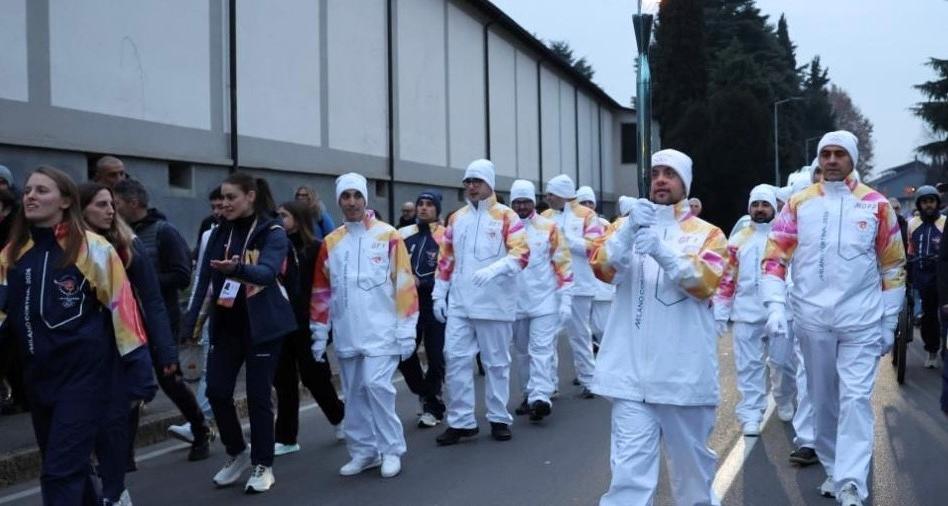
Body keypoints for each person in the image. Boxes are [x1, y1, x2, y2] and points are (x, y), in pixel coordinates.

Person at [762, 131, 906, 506]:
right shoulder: (798, 204)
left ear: (852, 159)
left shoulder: (876, 205)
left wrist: (889, 322)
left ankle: (852, 483)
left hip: (860, 321)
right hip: (812, 320)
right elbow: (775, 257)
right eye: (825, 154)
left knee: (856, 400)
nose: (831, 160)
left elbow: (893, 266)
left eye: (839, 154)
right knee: (822, 400)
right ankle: (833, 466)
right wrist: (776, 305)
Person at [0, 166, 152, 505]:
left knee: (59, 474)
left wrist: (140, 370)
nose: (30, 196)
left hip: (85, 378)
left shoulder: (92, 248)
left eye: (42, 190)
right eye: (28, 190)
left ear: (66, 200)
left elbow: (123, 310)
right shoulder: (12, 253)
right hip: (38, 379)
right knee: (74, 470)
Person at [589, 149, 726, 505]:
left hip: (683, 378)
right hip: (630, 377)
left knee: (692, 480)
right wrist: (630, 229)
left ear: (685, 182)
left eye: (670, 174)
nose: (661, 180)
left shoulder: (708, 235)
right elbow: (603, 269)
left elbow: (706, 282)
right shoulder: (626, 227)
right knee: (628, 481)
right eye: (656, 173)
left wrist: (662, 251)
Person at [180, 172, 296, 493]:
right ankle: (237, 452)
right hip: (227, 325)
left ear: (250, 197)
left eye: (232, 198)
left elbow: (268, 272)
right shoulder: (217, 232)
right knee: (217, 391)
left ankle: (263, 464)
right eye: (222, 199)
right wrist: (190, 324)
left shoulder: (272, 232)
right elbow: (203, 280)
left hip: (263, 327)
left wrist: (237, 269)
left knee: (259, 396)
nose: (225, 204)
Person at [310, 172, 418, 478]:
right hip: (348, 333)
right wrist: (319, 335)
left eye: (357, 196)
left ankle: (391, 449)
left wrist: (406, 329)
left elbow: (405, 285)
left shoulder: (388, 236)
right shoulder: (331, 242)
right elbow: (321, 293)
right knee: (354, 394)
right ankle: (364, 452)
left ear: (366, 199)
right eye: (346, 196)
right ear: (339, 200)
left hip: (382, 332)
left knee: (376, 387)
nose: (352, 202)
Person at [80, 182, 174, 504]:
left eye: (111, 205)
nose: (109, 211)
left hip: (124, 349)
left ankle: (116, 492)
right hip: (81, 354)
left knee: (115, 429)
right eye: (100, 205)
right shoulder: (68, 249)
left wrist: (165, 351)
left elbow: (153, 300)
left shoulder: (126, 246)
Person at [113, 178, 211, 462]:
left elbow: (182, 275)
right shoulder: (117, 236)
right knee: (129, 385)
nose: (113, 210)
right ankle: (123, 456)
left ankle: (200, 429)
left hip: (161, 320)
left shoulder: (163, 232)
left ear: (133, 203)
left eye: (116, 204)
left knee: (170, 380)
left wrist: (142, 281)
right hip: (127, 322)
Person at [433, 159, 529, 445]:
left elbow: (521, 254)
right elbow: (446, 257)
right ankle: (461, 421)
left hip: (495, 302)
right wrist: (439, 292)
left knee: (496, 363)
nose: (472, 187)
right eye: (468, 182)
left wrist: (495, 269)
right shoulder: (456, 218)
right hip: (461, 302)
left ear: (489, 183)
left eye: (477, 181)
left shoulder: (507, 216)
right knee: (455, 358)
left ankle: (498, 418)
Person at [714, 185, 794, 436]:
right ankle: (751, 414)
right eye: (756, 205)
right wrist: (720, 312)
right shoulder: (737, 240)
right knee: (748, 367)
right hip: (746, 314)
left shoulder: (784, 238)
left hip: (782, 313)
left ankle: (783, 398)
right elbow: (727, 279)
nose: (760, 209)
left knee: (783, 364)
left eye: (765, 205)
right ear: (750, 208)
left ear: (774, 208)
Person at [273, 200, 345, 455]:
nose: (279, 219)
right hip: (280, 324)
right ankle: (286, 437)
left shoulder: (315, 248)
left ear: (299, 218)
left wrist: (323, 324)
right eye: (277, 215)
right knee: (283, 382)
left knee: (315, 377)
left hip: (309, 323)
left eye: (284, 215)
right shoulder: (274, 247)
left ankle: (339, 417)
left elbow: (326, 287)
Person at [509, 179, 572, 421]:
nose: (521, 206)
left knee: (541, 349)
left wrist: (565, 298)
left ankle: (540, 396)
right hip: (515, 302)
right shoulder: (505, 228)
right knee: (522, 352)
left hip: (544, 301)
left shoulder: (548, 227)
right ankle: (528, 394)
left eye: (525, 201)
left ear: (534, 202)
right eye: (517, 202)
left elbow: (563, 263)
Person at [543, 174, 603, 398]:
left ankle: (589, 380)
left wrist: (566, 238)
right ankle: (549, 384)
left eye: (551, 194)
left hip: (580, 284)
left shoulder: (587, 215)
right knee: (546, 336)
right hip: (551, 285)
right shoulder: (546, 216)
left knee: (579, 335)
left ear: (563, 195)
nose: (547, 197)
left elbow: (595, 247)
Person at [397, 190, 448, 428]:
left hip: (435, 303)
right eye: (420, 204)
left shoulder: (446, 236)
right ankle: (427, 394)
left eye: (429, 204)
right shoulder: (403, 235)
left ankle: (432, 406)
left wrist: (425, 283)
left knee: (436, 358)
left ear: (437, 209)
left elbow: (450, 270)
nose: (423, 208)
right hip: (409, 304)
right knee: (404, 355)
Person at [907, 185, 944, 368]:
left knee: (945, 314)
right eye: (924, 202)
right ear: (919, 205)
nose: (928, 205)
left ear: (937, 203)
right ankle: (931, 350)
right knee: (929, 316)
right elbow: (910, 249)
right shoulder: (912, 224)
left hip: (944, 278)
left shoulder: (945, 222)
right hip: (923, 277)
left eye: (931, 201)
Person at [577, 186, 613, 349]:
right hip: (579, 285)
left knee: (602, 328)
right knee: (582, 332)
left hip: (600, 287)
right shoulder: (571, 225)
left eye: (589, 202)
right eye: (582, 202)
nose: (587, 206)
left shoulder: (604, 225)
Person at [194, 187, 225, 258]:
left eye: (220, 207)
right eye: (213, 207)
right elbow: (200, 247)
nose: (216, 212)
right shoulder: (207, 222)